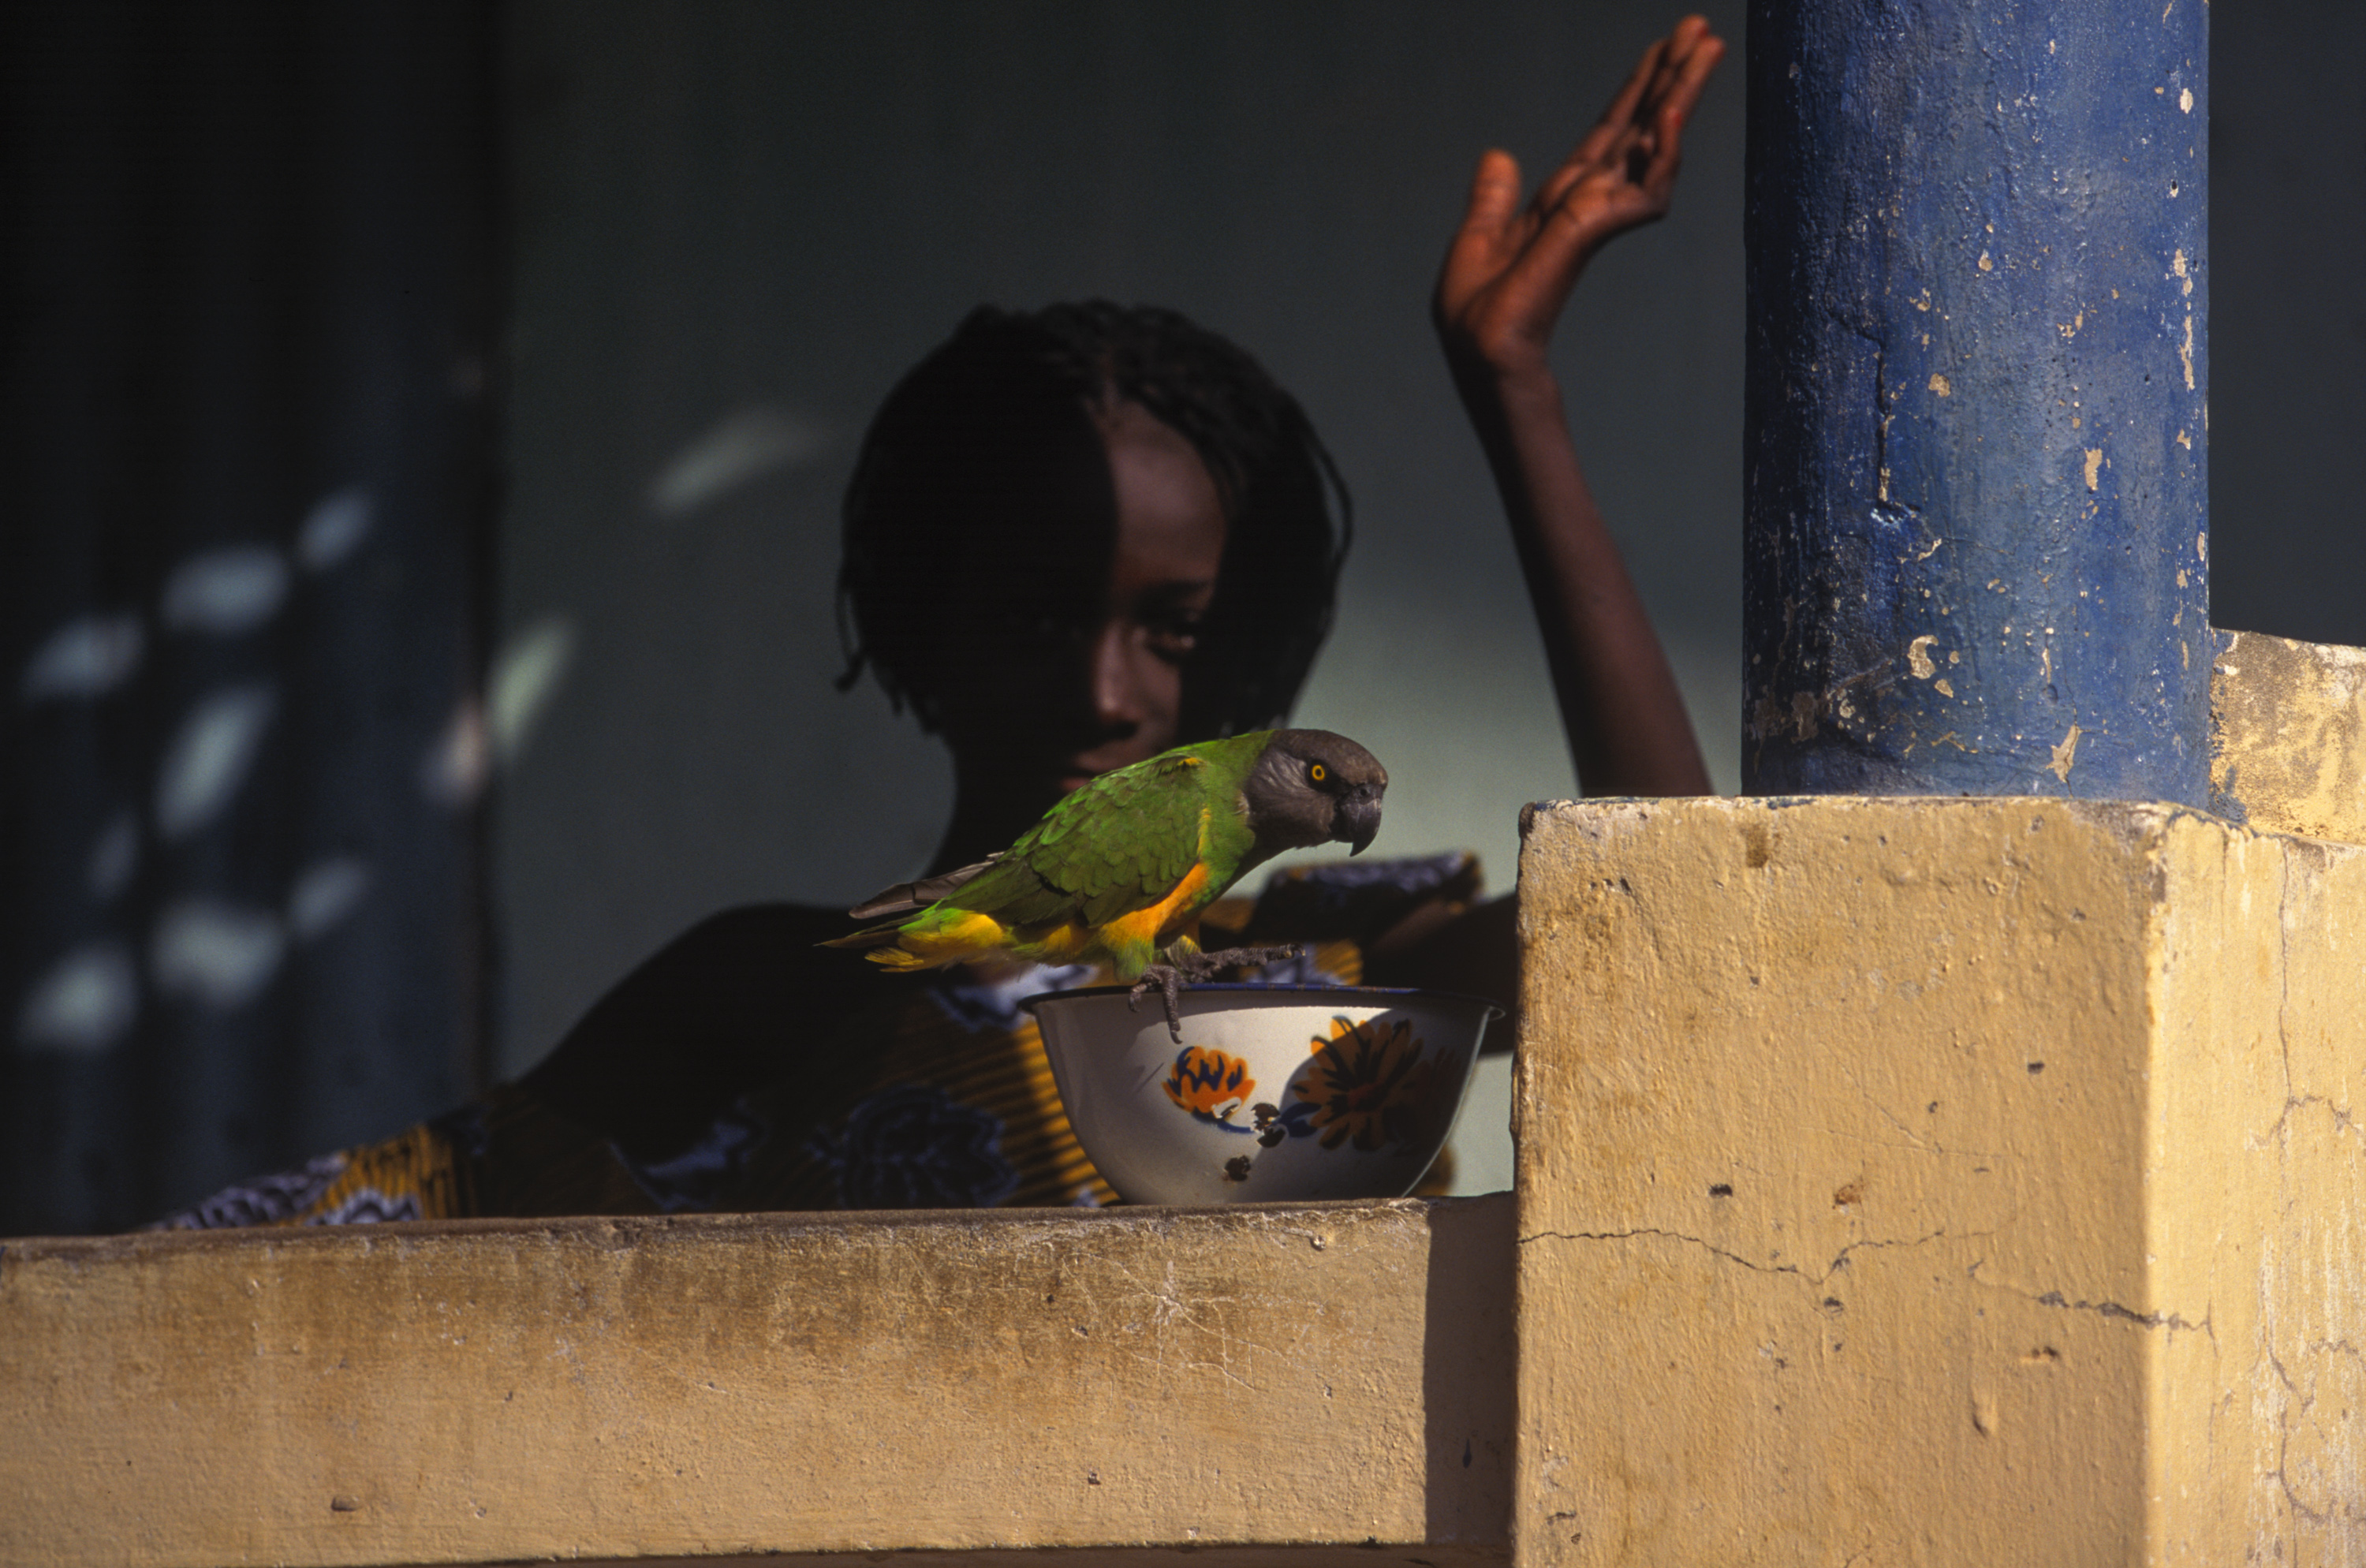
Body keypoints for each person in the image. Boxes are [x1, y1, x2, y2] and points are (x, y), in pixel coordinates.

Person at [157, 18, 1726, 1226]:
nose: (1103, 688)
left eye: (1173, 628)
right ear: (921, 618)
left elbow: (1689, 944)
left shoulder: (1343, 967)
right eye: (1036, 612)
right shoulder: (783, 987)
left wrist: (1510, 392)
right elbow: (343, 1231)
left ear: (1246, 656)